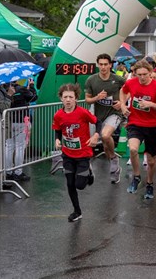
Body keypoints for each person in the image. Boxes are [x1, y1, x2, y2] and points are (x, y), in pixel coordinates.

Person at [120, 60, 156, 199]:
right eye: (139, 74)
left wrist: (151, 104)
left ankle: (149, 183)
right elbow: (122, 91)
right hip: (135, 123)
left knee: (151, 161)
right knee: (134, 149)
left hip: (152, 126)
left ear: (150, 73)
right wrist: (123, 106)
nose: (142, 77)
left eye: (145, 74)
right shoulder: (131, 83)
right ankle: (136, 177)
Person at [52, 84, 99, 222]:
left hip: (83, 154)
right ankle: (77, 211)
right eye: (65, 97)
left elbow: (98, 122)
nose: (68, 100)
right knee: (70, 183)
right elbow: (58, 129)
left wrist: (96, 135)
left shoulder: (82, 112)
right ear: (61, 98)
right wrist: (57, 140)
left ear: (76, 98)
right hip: (67, 154)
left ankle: (89, 173)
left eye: (70, 97)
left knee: (80, 185)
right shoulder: (58, 115)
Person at [84, 53, 126, 184]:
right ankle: (114, 163)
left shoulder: (118, 79)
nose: (103, 67)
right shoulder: (91, 80)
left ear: (110, 65)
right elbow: (88, 100)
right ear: (98, 65)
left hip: (114, 113)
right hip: (98, 115)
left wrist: (122, 102)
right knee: (105, 144)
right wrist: (97, 98)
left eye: (105, 64)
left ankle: (114, 160)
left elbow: (130, 89)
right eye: (101, 64)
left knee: (106, 135)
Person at [5, 79, 38, 182]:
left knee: (9, 147)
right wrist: (31, 86)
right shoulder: (21, 88)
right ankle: (18, 173)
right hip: (21, 121)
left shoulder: (3, 90)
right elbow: (33, 97)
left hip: (8, 121)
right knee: (20, 147)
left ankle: (8, 172)